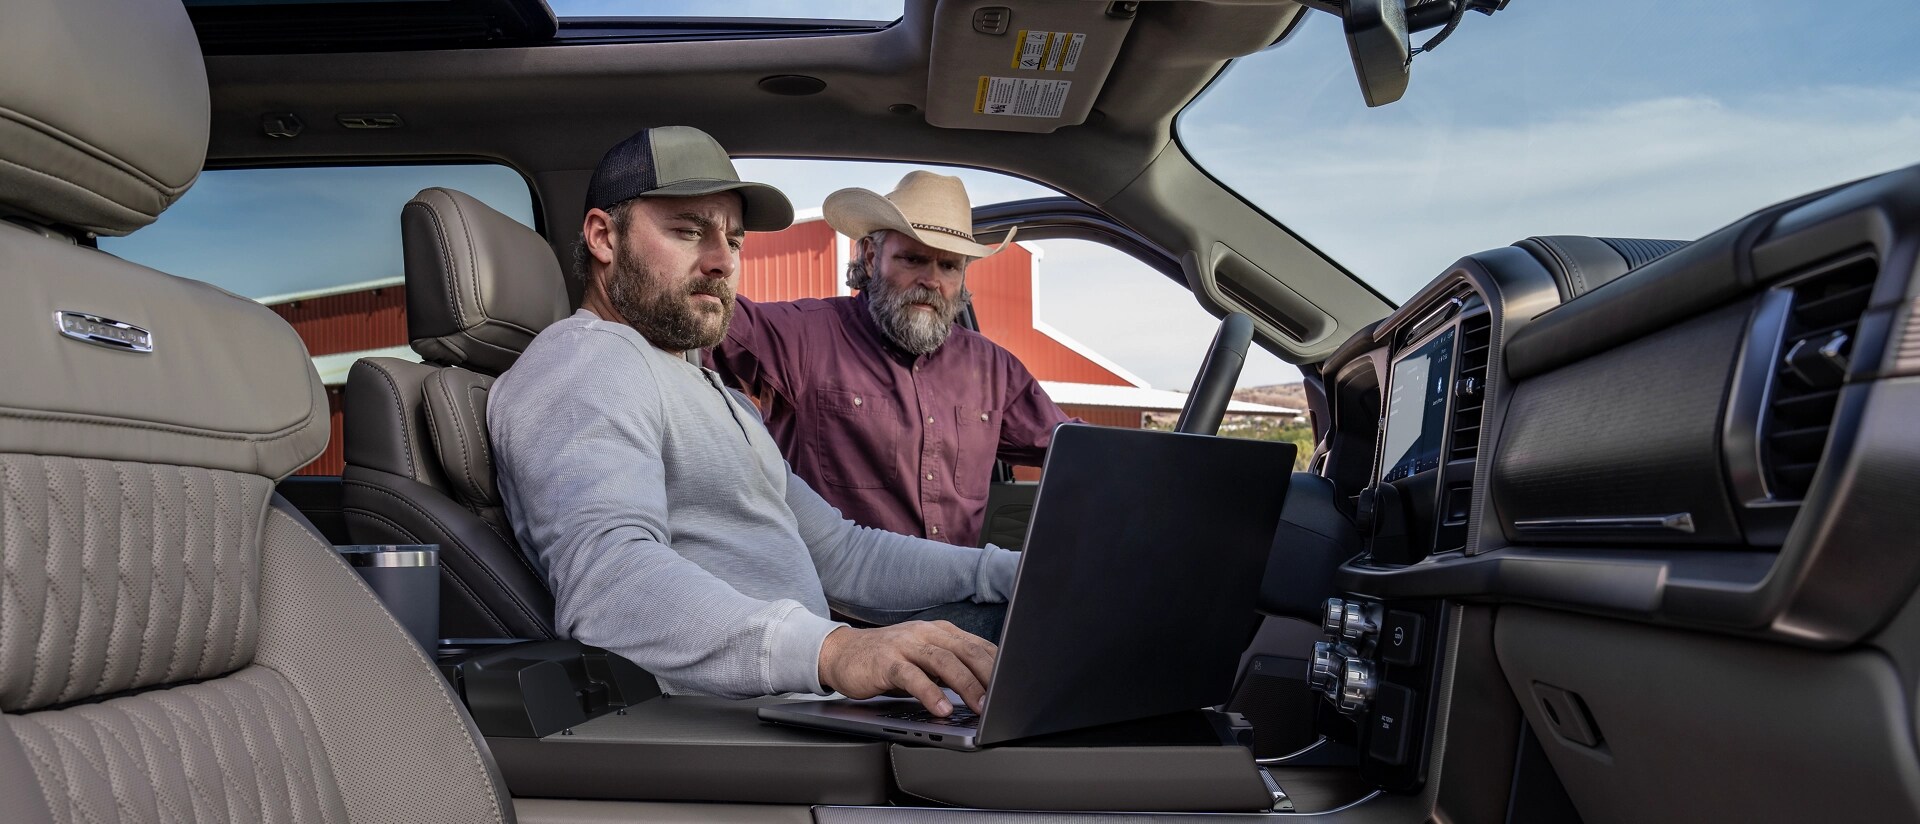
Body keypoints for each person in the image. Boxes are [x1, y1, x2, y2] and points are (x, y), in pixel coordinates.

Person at [490, 126, 1016, 716]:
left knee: (1045, 618)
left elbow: (843, 554)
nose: (721, 262)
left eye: (733, 241)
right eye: (689, 231)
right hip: (733, 735)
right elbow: (610, 586)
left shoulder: (714, 391)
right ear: (603, 237)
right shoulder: (587, 360)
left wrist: (1008, 571)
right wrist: (835, 651)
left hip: (802, 703)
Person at [709, 171, 1073, 548]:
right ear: (870, 256)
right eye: (913, 259)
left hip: (957, 598)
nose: (931, 280)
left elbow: (1076, 451)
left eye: (949, 266)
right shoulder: (804, 336)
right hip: (834, 603)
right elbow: (702, 322)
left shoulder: (994, 370)